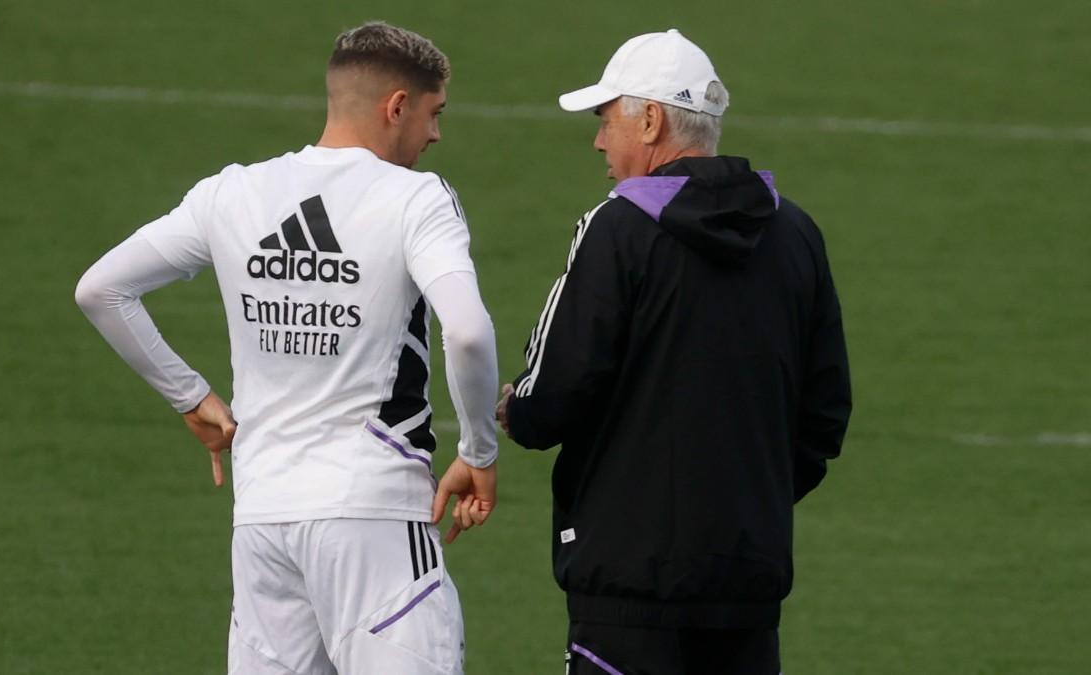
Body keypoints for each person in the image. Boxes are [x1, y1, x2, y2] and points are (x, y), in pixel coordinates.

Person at [75, 22, 498, 675]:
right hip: (374, 520)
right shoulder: (417, 198)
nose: (436, 134)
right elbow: (467, 332)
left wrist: (191, 397)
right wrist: (478, 450)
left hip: (264, 523)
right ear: (397, 106)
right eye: (434, 113)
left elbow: (101, 290)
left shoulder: (231, 192)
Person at [496, 29, 852, 674]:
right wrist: (750, 501)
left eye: (606, 120)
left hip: (626, 587)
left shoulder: (616, 228)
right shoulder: (797, 233)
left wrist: (516, 411)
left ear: (651, 121)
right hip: (747, 582)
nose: (599, 141)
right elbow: (824, 415)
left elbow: (554, 393)